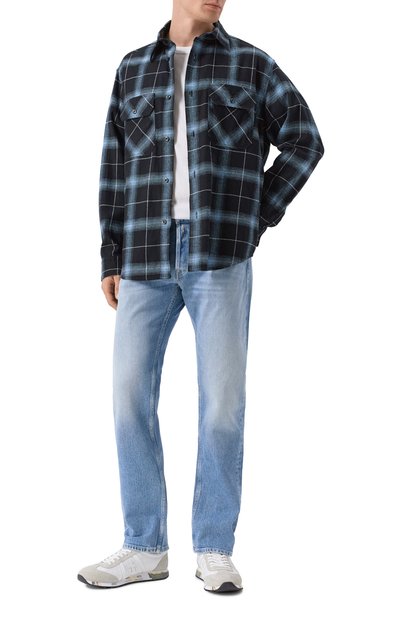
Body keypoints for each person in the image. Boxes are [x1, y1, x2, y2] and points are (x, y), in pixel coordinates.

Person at [77, 0, 324, 593]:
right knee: (128, 398)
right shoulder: (132, 69)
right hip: (143, 255)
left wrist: (256, 216)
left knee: (222, 405)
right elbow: (114, 167)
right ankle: (145, 546)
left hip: (221, 254)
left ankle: (214, 548)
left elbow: (305, 141)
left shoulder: (251, 65)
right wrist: (110, 254)